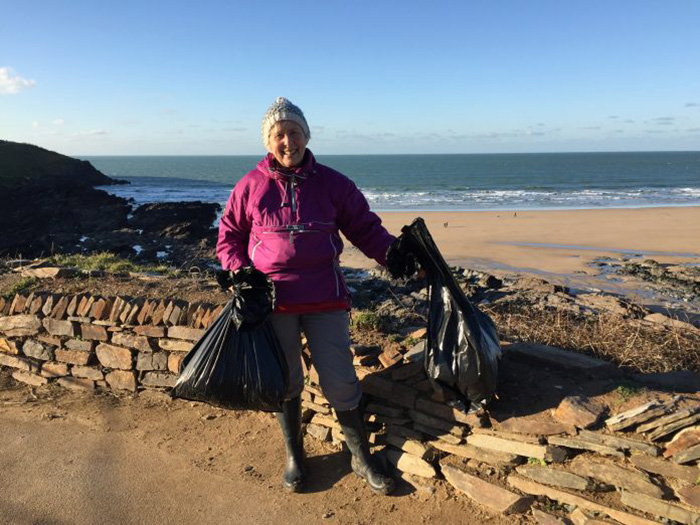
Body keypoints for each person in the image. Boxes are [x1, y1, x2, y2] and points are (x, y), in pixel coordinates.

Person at [217, 97, 410, 495]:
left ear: (307, 135)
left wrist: (393, 255)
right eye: (278, 135)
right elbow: (229, 237)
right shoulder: (249, 186)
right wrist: (240, 272)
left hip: (326, 298)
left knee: (340, 380)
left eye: (294, 132)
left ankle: (360, 456)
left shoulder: (334, 183)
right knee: (286, 380)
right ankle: (294, 455)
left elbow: (365, 228)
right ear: (268, 143)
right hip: (273, 303)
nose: (287, 141)